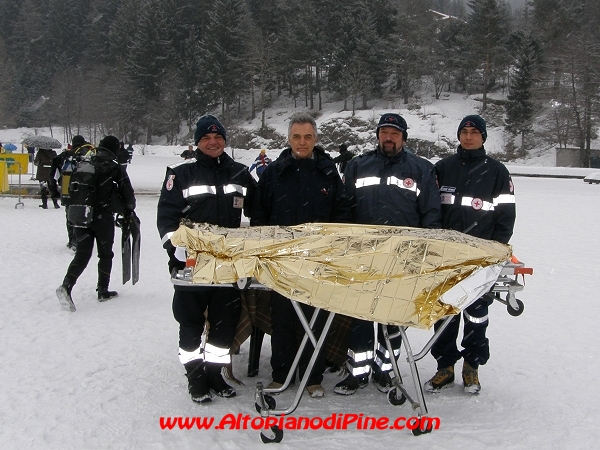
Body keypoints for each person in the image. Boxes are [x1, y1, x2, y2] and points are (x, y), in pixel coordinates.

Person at [334, 113, 442, 396]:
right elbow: (344, 209)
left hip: (402, 257)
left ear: (404, 138)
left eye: (395, 133)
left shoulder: (421, 169)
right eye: (384, 132)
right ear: (378, 135)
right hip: (364, 256)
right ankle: (356, 373)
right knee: (359, 316)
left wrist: (425, 252)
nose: (389, 137)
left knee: (392, 317)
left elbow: (431, 214)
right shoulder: (358, 165)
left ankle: (385, 370)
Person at [157, 115, 256, 404]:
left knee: (224, 325)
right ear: (198, 142)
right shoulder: (181, 175)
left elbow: (259, 208)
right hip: (191, 264)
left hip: (227, 265)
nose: (213, 142)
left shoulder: (239, 173)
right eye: (206, 138)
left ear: (224, 141)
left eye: (218, 138)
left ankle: (215, 373)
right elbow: (166, 218)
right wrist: (174, 249)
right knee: (190, 325)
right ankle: (195, 376)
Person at [251, 112, 351, 398]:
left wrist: (331, 246)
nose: (302, 142)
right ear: (289, 139)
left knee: (314, 318)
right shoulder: (273, 172)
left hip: (317, 259)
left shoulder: (328, 172)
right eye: (297, 136)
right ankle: (280, 374)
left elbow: (341, 212)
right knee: (282, 318)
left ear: (316, 139)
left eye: (308, 137)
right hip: (281, 259)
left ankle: (312, 377)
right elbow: (259, 214)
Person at [424, 115, 516, 395]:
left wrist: (496, 250)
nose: (468, 136)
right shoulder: (442, 168)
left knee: (476, 315)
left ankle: (472, 366)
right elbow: (429, 209)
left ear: (483, 137)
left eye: (474, 132)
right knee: (444, 311)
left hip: (481, 258)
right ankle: (445, 366)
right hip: (445, 257)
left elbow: (506, 216)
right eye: (463, 131)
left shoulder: (497, 172)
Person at [55, 135, 136, 312]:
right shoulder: (113, 167)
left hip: (80, 214)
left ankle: (67, 286)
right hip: (102, 216)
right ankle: (103, 290)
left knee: (82, 254)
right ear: (114, 148)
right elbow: (127, 192)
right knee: (105, 254)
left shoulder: (84, 162)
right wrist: (129, 209)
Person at [50, 135, 86, 250]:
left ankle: (72, 240)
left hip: (67, 191)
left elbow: (52, 177)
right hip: (84, 191)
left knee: (70, 215)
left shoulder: (63, 156)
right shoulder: (89, 155)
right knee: (84, 215)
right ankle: (82, 239)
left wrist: (54, 193)